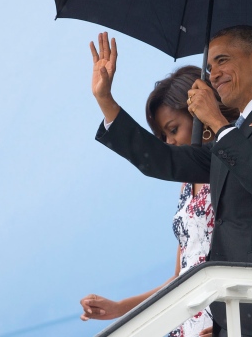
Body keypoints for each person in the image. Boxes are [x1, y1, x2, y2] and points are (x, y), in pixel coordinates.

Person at [92, 26, 252, 336]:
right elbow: (166, 161)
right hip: (233, 314)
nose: (214, 73)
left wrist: (219, 124)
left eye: (222, 60)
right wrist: (106, 102)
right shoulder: (233, 133)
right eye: (209, 67)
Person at [79, 58, 238, 337]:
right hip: (188, 322)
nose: (169, 142)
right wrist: (119, 308)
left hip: (227, 321)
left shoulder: (233, 167)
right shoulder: (186, 186)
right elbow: (180, 277)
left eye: (173, 129)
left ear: (199, 114)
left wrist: (229, 325)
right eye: (163, 136)